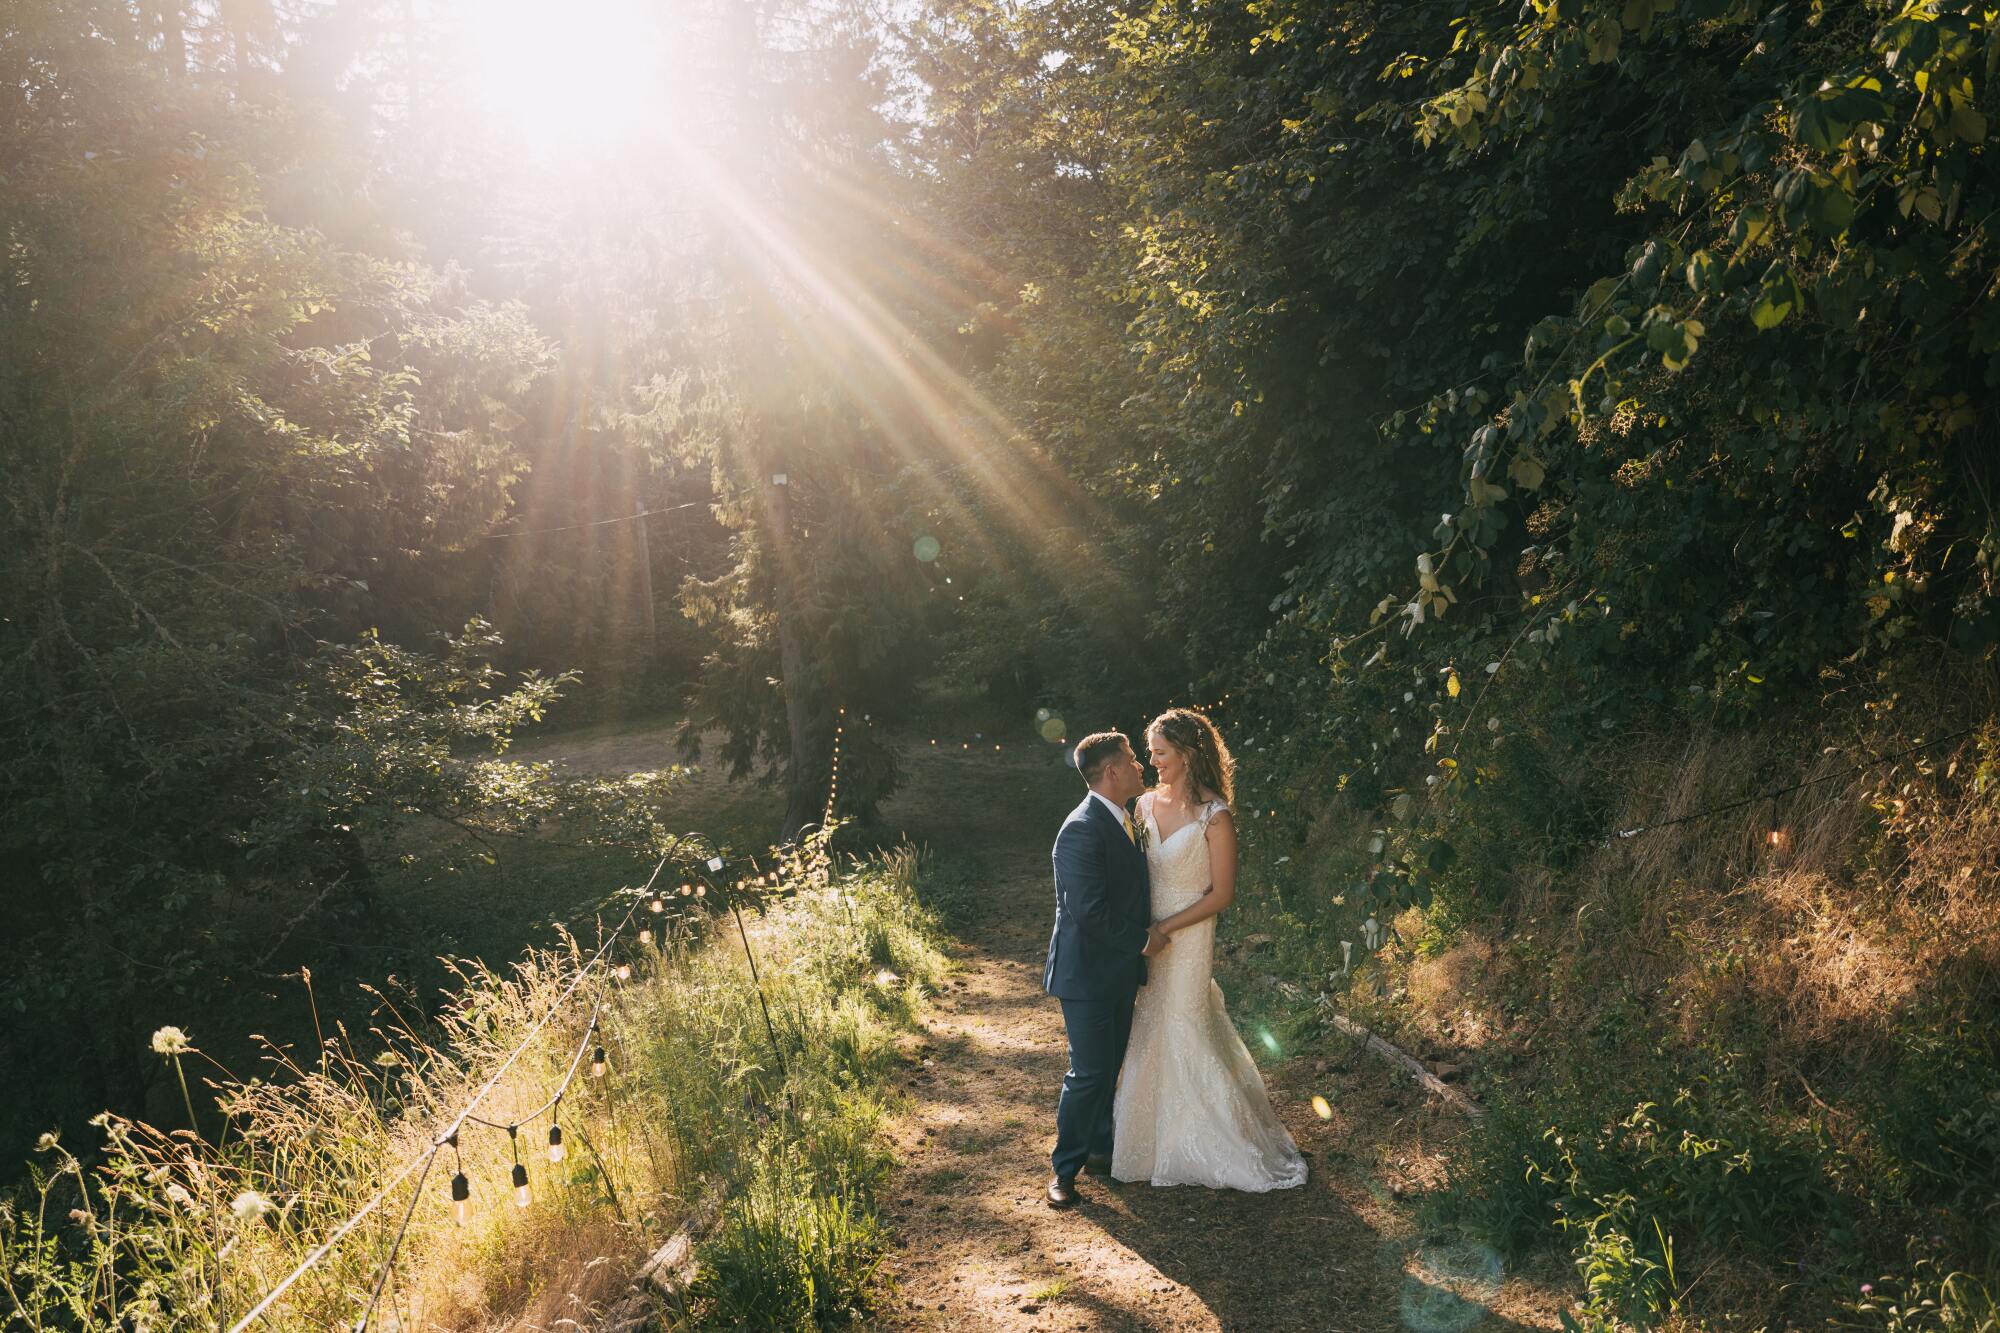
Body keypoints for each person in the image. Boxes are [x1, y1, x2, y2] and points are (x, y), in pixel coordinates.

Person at [1111, 707, 1307, 1192]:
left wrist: (1167, 928)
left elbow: (1221, 894)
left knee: (1185, 1019)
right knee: (1149, 1022)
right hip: (1147, 935)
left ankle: (1210, 1144)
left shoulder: (1215, 816)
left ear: (1188, 754)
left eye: (1160, 753)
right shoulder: (1142, 808)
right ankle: (1147, 1140)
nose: (1152, 761)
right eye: (1151, 752)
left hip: (1189, 932)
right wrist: (1138, 931)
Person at [1041, 730, 1167, 1209]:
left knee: (1110, 1065)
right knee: (1090, 1072)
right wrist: (1143, 940)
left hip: (1116, 972)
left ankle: (1098, 1149)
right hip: (1086, 975)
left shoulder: (1126, 819)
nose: (1140, 765)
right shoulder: (1080, 828)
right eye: (1132, 758)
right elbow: (1088, 910)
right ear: (1112, 771)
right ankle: (1063, 1170)